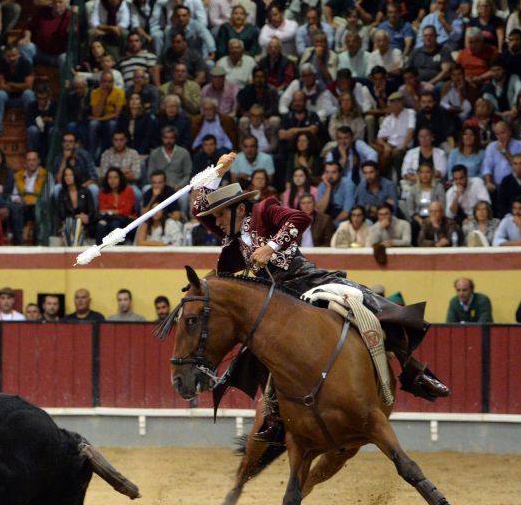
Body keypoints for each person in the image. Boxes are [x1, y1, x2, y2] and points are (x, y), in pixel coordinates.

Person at [192, 152, 449, 444]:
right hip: (270, 298)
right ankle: (276, 417)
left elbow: (300, 218)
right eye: (215, 217)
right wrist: (216, 173)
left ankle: (415, 371)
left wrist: (272, 247)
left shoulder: (265, 209)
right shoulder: (230, 230)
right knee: (257, 350)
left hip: (304, 281)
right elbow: (199, 208)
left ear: (237, 209)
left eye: (221, 215)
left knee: (362, 300)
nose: (216, 222)